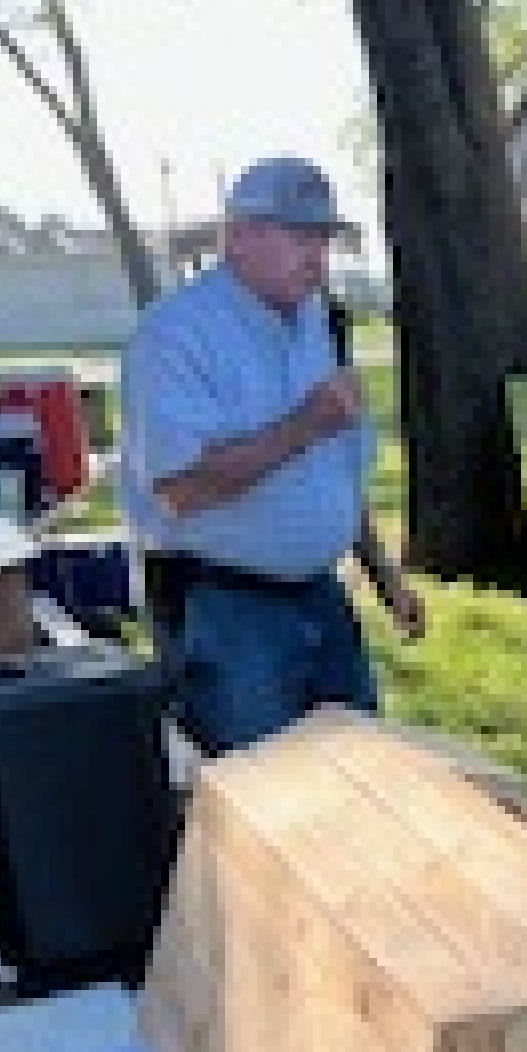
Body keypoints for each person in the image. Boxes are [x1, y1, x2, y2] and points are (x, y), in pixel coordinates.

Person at [121, 154, 424, 756]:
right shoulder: (175, 334)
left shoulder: (317, 321)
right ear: (239, 239)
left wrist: (385, 577)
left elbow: (338, 472)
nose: (316, 255)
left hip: (322, 600)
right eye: (297, 235)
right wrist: (305, 425)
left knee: (358, 782)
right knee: (256, 797)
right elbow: (180, 488)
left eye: (323, 237)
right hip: (227, 611)